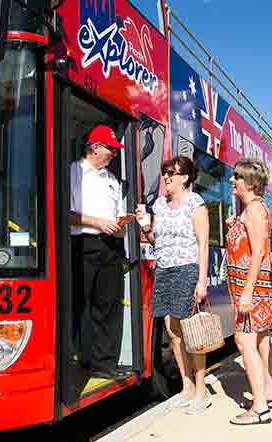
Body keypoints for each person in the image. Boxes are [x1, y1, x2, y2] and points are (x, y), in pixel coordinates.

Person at [135, 156, 211, 415]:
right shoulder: (159, 204)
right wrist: (144, 225)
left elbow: (202, 244)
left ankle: (202, 390)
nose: (166, 177)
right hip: (164, 269)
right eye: (164, 172)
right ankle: (187, 386)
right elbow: (156, 239)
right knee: (172, 330)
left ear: (185, 178)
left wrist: (201, 281)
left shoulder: (195, 203)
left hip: (187, 268)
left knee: (191, 331)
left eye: (171, 173)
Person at [69, 125, 132, 380]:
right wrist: (97, 223)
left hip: (111, 247)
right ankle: (68, 362)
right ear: (94, 148)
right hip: (83, 245)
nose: (113, 155)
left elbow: (114, 218)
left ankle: (104, 365)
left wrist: (121, 225)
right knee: (75, 306)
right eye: (110, 150)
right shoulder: (72, 172)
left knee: (109, 308)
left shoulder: (112, 181)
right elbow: (63, 214)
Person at [225, 159, 272, 426]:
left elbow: (258, 252)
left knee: (245, 343)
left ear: (251, 183)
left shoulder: (255, 210)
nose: (232, 180)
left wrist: (246, 291)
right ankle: (267, 395)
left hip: (251, 286)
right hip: (255, 286)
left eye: (237, 177)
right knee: (261, 340)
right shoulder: (253, 210)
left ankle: (259, 408)